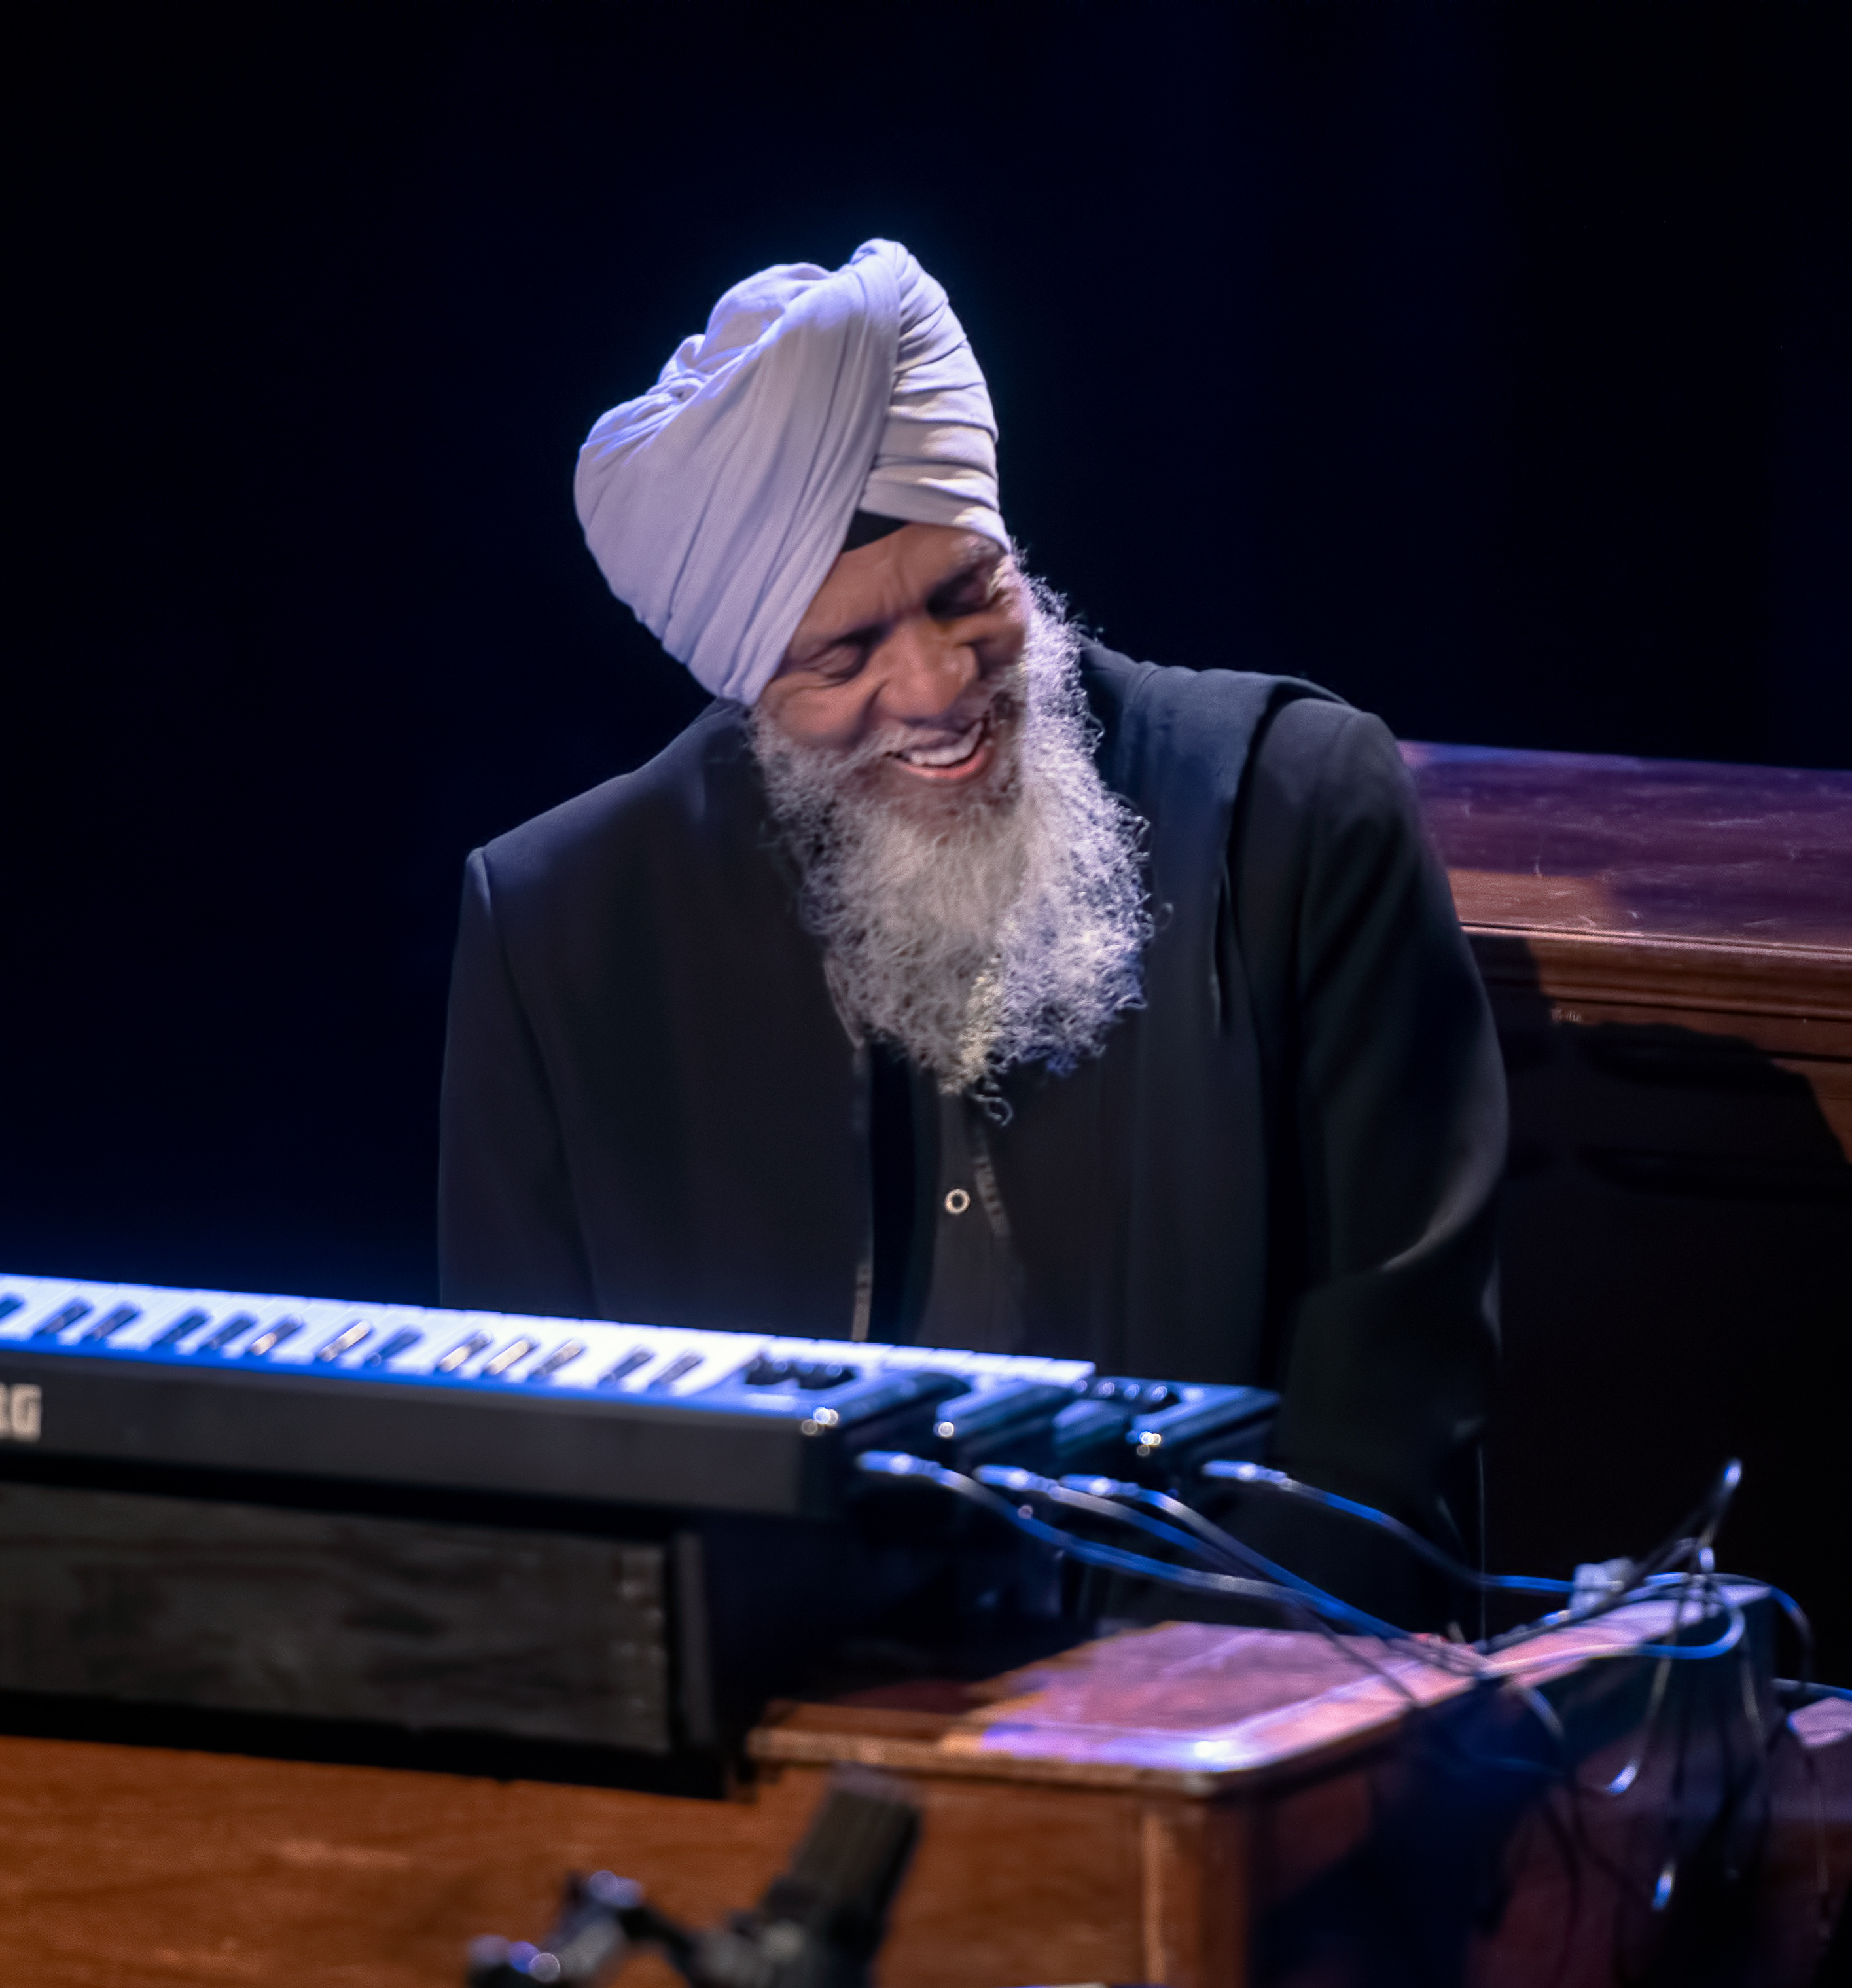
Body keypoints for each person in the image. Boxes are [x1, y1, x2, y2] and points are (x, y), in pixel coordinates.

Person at [438, 241, 1503, 1604]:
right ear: (743, 681)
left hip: (1227, 1720)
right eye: (844, 657)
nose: (939, 685)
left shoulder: (1293, 814)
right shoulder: (560, 926)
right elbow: (531, 1479)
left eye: (965, 595)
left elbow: (1381, 1447)